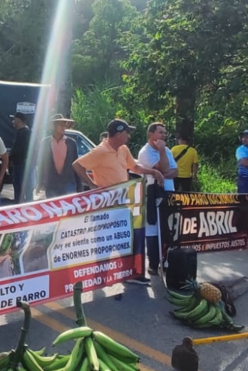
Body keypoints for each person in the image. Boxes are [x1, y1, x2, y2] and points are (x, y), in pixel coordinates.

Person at [133, 122, 175, 283]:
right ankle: (153, 263)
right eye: (160, 132)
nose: (164, 135)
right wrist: (161, 152)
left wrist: (164, 173)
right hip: (153, 194)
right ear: (151, 134)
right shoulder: (145, 152)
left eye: (165, 132)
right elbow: (164, 168)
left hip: (169, 192)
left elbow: (175, 171)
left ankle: (166, 261)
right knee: (153, 228)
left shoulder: (167, 150)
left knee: (167, 228)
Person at [74, 119, 164, 190]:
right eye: (127, 133)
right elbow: (77, 165)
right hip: (106, 199)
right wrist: (92, 184)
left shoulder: (123, 149)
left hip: (121, 197)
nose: (129, 136)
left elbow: (135, 168)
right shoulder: (101, 151)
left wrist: (154, 172)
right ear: (118, 134)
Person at [40, 114, 80, 198]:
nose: (63, 127)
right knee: (54, 206)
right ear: (54, 126)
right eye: (60, 125)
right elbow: (42, 163)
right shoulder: (45, 143)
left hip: (68, 182)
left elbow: (76, 164)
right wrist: (40, 182)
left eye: (64, 125)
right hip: (51, 183)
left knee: (68, 205)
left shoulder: (71, 143)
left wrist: (79, 185)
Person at [9, 112, 33, 203]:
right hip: (20, 165)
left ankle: (24, 207)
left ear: (18, 120)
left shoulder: (25, 133)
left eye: (14, 119)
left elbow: (20, 149)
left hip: (22, 166)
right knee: (19, 189)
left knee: (22, 189)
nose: (13, 121)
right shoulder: (22, 132)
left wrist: (10, 157)